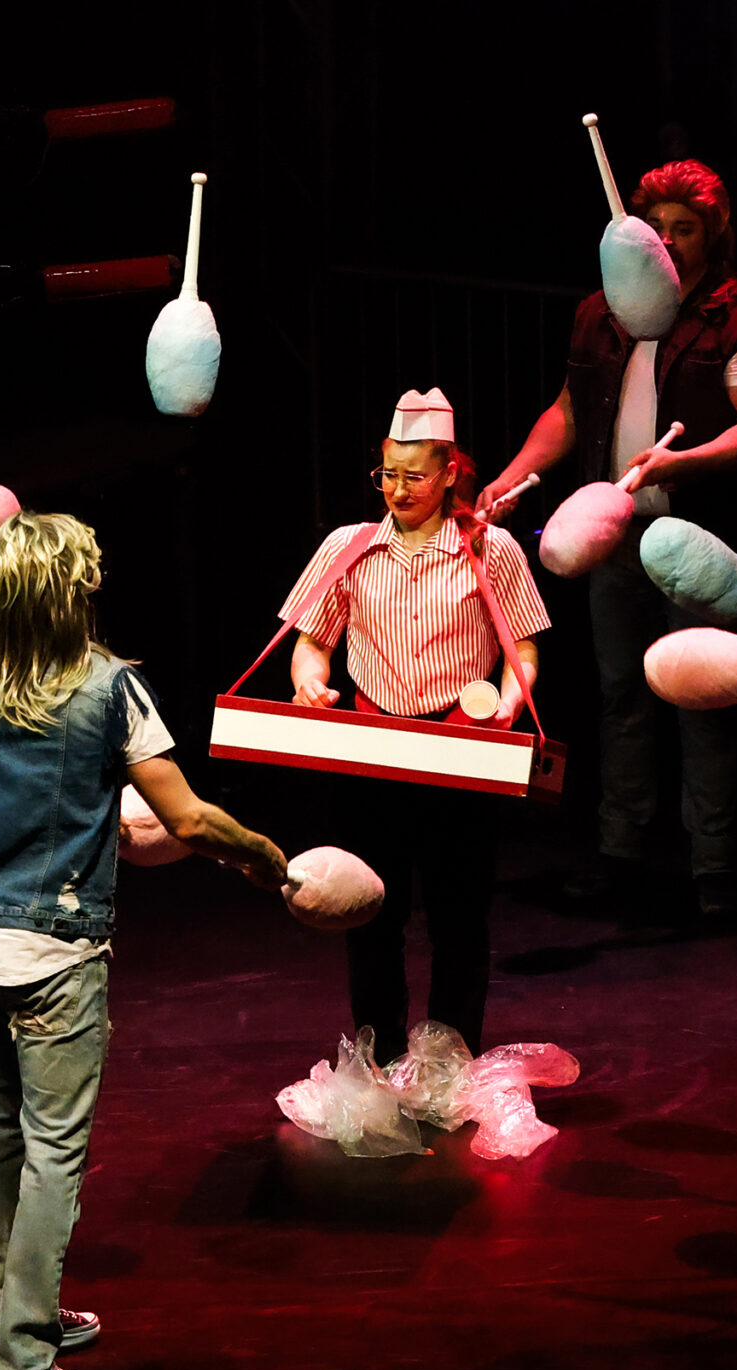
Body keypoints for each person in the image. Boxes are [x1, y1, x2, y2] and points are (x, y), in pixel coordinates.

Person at [0, 511, 286, 1370]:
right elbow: (193, 818)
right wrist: (264, 856)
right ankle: (27, 1365)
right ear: (69, 596)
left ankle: (3, 1317)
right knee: (54, 1153)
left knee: (2, 1134)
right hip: (54, 953)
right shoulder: (108, 688)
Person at [478, 159, 737, 919]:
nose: (671, 244)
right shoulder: (603, 313)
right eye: (661, 230)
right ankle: (619, 850)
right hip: (613, 533)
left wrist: (686, 461)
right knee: (619, 693)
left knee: (699, 695)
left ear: (713, 238)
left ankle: (711, 866)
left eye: (686, 231)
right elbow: (568, 411)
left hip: (696, 540)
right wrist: (514, 476)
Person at [283, 388, 553, 1063]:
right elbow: (311, 639)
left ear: (450, 473)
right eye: (387, 475)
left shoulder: (492, 550)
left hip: (459, 751)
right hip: (372, 752)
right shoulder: (347, 548)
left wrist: (519, 694)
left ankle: (450, 1064)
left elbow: (523, 646)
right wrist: (306, 679)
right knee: (370, 913)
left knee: (459, 919)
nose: (398, 491)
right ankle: (377, 1059)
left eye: (414, 476)